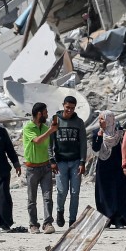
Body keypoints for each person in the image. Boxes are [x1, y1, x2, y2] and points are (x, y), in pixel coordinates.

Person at [51, 95, 87, 227]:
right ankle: (60, 211)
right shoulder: (55, 120)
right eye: (67, 108)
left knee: (75, 192)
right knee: (62, 190)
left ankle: (73, 219)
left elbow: (83, 143)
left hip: (76, 161)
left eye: (72, 108)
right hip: (60, 161)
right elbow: (50, 142)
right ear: (63, 105)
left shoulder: (79, 122)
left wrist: (83, 162)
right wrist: (51, 160)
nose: (70, 110)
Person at [22, 102, 57, 234]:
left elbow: (49, 144)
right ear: (39, 114)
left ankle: (47, 223)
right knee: (32, 199)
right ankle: (33, 224)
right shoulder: (28, 127)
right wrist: (51, 131)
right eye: (45, 112)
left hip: (45, 166)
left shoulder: (45, 127)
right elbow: (37, 141)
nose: (47, 115)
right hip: (32, 168)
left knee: (48, 197)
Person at [91, 110, 126, 228]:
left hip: (117, 167)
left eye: (102, 119)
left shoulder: (119, 133)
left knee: (118, 193)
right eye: (99, 119)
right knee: (104, 193)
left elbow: (125, 149)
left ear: (110, 120)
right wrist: (100, 133)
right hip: (103, 167)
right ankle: (106, 218)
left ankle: (119, 219)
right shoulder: (96, 132)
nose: (100, 121)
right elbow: (95, 148)